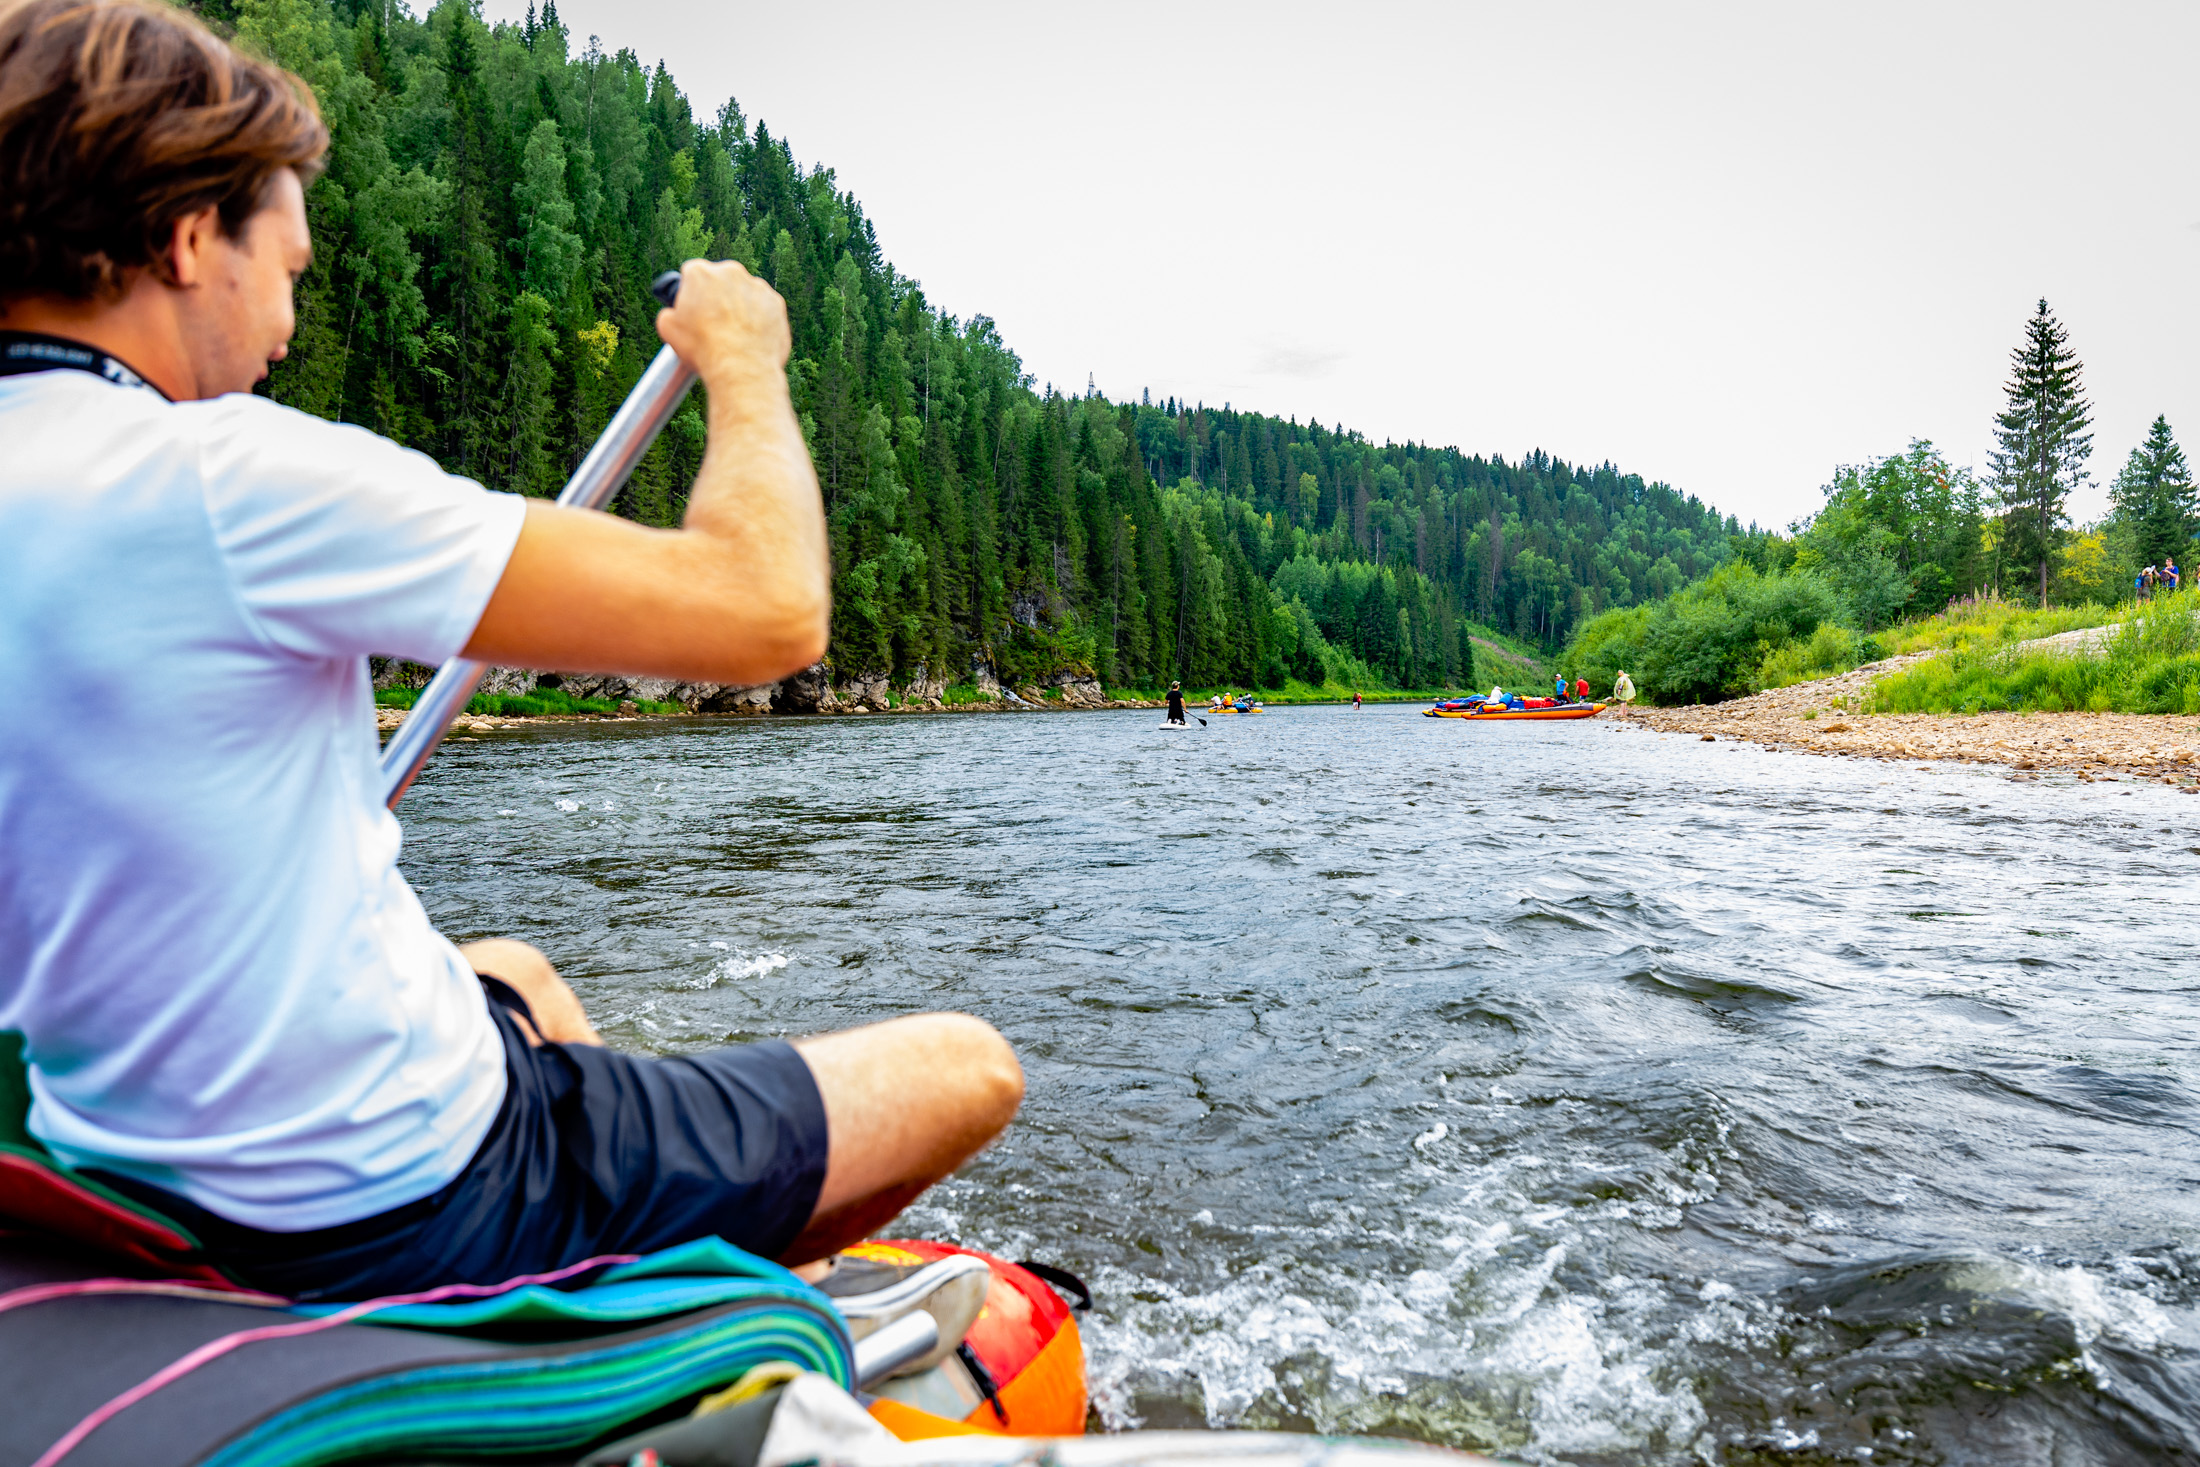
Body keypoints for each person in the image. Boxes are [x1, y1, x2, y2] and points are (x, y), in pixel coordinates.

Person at [0, 0, 1021, 1302]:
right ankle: (633, 1315)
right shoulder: (220, 475)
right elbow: (767, 611)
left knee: (516, 972)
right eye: (290, 272)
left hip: (128, 1167)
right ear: (191, 239)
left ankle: (608, 1228)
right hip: (397, 1198)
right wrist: (745, 360)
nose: (287, 329)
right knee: (968, 1068)